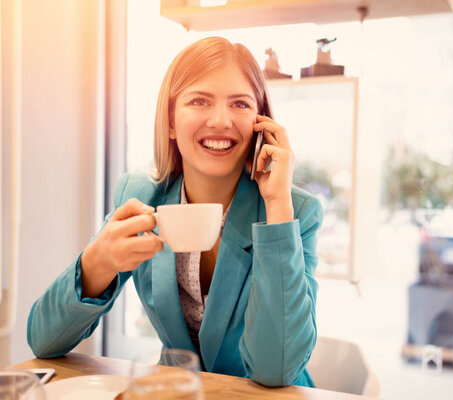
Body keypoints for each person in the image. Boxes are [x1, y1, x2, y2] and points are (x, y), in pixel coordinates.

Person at [27, 36, 323, 388]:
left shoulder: (294, 213)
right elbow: (43, 341)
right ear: (170, 121)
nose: (221, 120)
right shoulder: (138, 194)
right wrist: (96, 264)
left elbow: (276, 369)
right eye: (200, 100)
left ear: (261, 123)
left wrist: (277, 206)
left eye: (240, 104)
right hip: (177, 393)